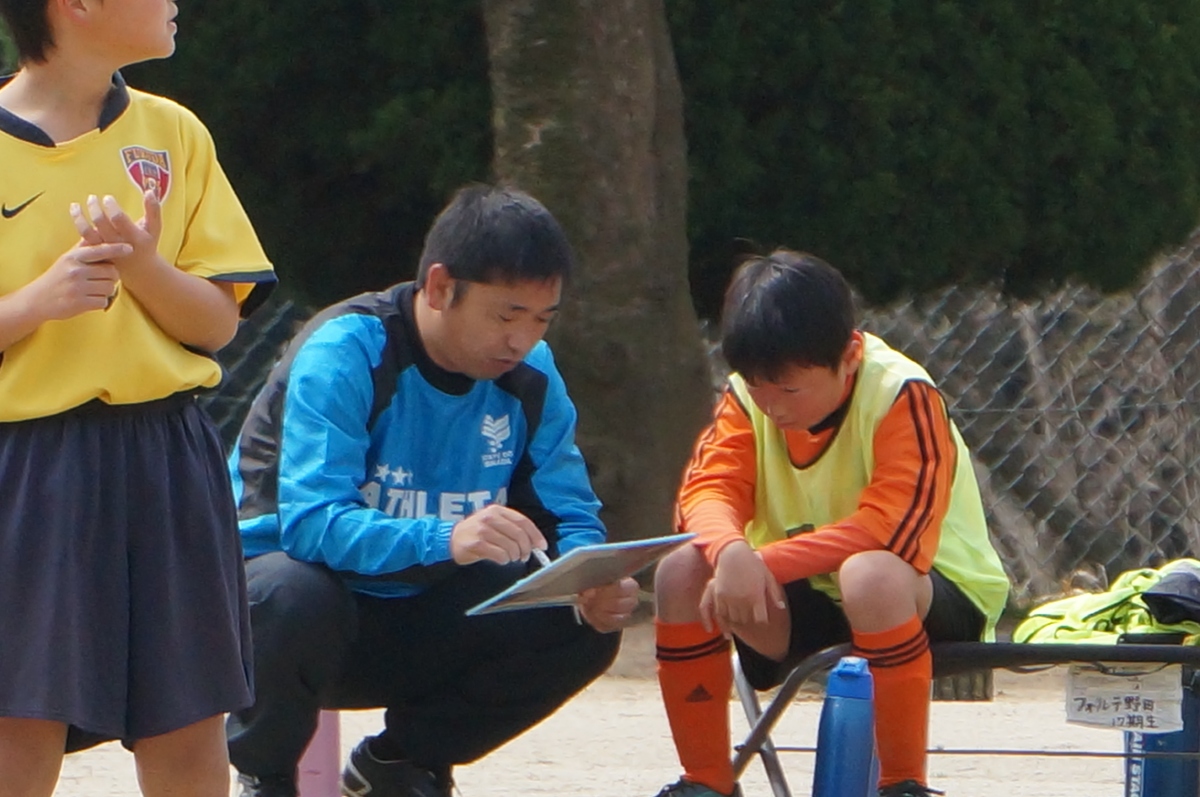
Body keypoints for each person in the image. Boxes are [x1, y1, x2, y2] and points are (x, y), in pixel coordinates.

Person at [225, 183, 640, 797]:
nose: (522, 340)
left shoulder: (531, 374)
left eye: (542, 319)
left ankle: (399, 764)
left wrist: (592, 578)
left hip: (419, 608)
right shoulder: (346, 351)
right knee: (292, 594)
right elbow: (311, 524)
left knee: (578, 624)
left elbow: (567, 512)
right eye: (507, 316)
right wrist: (446, 537)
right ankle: (266, 776)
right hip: (289, 616)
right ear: (441, 287)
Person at [0, 0, 276, 795]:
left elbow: (218, 324)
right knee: (18, 726)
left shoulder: (175, 132)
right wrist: (36, 302)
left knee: (187, 725)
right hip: (27, 466)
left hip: (166, 455)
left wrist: (145, 266)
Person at [651, 250, 1010, 797]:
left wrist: (760, 562)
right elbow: (706, 491)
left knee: (869, 574)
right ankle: (705, 781)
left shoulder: (900, 392)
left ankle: (903, 784)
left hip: (925, 594)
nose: (772, 405)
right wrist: (730, 552)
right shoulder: (747, 399)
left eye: (789, 389)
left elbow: (891, 529)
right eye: (757, 384)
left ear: (848, 357)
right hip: (810, 594)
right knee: (681, 570)